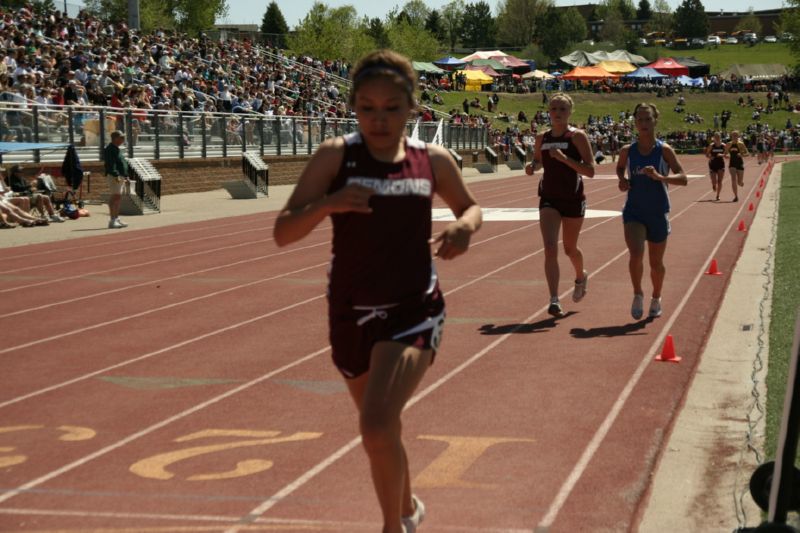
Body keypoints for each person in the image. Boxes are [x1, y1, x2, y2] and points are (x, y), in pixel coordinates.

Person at [273, 49, 482, 533]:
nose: (379, 119)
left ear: (411, 106)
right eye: (367, 107)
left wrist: (463, 230)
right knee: (382, 433)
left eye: (391, 107)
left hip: (413, 310)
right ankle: (408, 510)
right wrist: (329, 203)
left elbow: (470, 208)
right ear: (354, 106)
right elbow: (283, 231)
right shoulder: (335, 156)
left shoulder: (431, 160)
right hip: (349, 313)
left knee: (376, 426)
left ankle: (395, 527)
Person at [524, 93, 595, 317]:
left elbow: (590, 170)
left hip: (573, 199)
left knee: (569, 248)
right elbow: (537, 161)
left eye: (562, 109)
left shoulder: (577, 137)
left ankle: (580, 276)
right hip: (549, 198)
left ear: (570, 112)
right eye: (554, 108)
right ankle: (554, 299)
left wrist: (564, 159)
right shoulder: (541, 138)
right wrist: (532, 166)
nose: (557, 113)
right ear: (548, 111)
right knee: (550, 247)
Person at [616, 103, 687, 320]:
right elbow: (620, 167)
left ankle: (656, 297)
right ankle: (638, 293)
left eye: (648, 119)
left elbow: (683, 178)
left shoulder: (664, 151)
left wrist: (661, 177)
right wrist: (622, 180)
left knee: (656, 264)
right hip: (634, 212)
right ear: (635, 123)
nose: (644, 123)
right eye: (640, 119)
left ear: (655, 120)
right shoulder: (627, 151)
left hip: (657, 212)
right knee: (636, 253)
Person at [104, 130, 130, 229]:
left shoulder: (117, 149)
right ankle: (112, 220)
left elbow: (121, 163)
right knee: (115, 196)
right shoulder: (110, 149)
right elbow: (111, 164)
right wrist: (116, 175)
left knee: (118, 197)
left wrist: (126, 175)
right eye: (121, 138)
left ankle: (116, 218)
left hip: (120, 176)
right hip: (115, 176)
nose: (123, 140)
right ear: (115, 138)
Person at [725, 131, 750, 202]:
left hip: (739, 164)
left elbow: (748, 154)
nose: (735, 137)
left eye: (736, 135)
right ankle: (736, 196)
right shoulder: (728, 144)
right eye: (733, 135)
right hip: (732, 164)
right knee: (733, 179)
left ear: (738, 136)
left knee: (739, 182)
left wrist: (741, 155)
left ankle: (741, 182)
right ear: (731, 136)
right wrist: (727, 156)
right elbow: (725, 154)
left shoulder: (741, 144)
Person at [705, 131, 726, 201]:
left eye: (718, 137)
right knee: (714, 181)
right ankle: (714, 185)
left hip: (721, 164)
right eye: (716, 137)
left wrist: (722, 155)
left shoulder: (723, 145)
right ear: (714, 138)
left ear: (720, 138)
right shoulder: (711, 145)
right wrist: (710, 157)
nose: (717, 138)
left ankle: (718, 195)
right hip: (712, 164)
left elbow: (727, 155)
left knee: (720, 181)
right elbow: (707, 154)